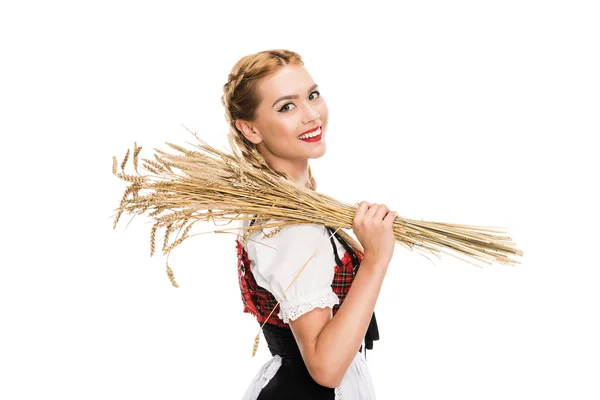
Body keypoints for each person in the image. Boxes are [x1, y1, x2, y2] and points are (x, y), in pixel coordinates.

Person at [221, 49, 397, 400]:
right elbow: (326, 367)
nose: (312, 114)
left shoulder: (280, 202)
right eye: (287, 106)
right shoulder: (290, 225)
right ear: (250, 128)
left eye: (312, 95)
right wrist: (376, 259)